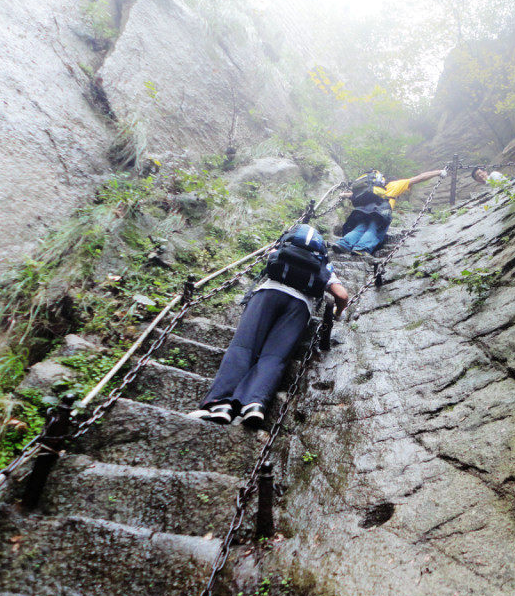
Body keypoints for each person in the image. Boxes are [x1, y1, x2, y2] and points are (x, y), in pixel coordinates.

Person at [189, 224, 348, 428]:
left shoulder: (282, 250)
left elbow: (271, 259)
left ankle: (220, 404)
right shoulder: (324, 266)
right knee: (274, 357)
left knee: (243, 347)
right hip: (300, 308)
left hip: (267, 295)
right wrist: (338, 312)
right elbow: (342, 295)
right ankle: (254, 404)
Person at [333, 168, 447, 255]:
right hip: (380, 210)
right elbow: (420, 177)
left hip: (363, 210)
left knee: (360, 228)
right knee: (374, 229)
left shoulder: (370, 190)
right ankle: (361, 248)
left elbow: (354, 195)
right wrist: (438, 172)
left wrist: (343, 195)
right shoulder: (394, 185)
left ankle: (343, 244)